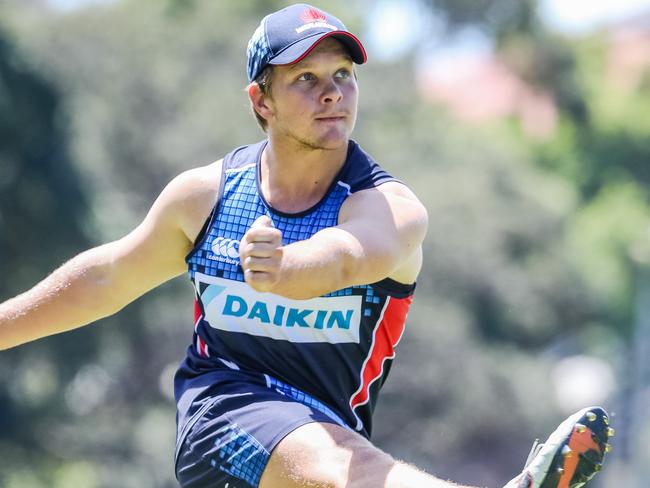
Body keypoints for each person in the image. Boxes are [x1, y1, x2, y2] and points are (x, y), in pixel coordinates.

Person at [0, 3, 613, 488]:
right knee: (326, 458)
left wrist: (285, 267)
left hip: (333, 454)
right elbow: (107, 277)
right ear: (260, 101)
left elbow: (346, 257)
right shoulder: (204, 198)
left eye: (343, 75)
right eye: (306, 78)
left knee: (333, 456)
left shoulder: (392, 210)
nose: (333, 93)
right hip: (223, 416)